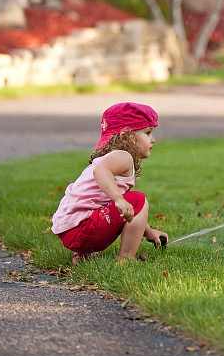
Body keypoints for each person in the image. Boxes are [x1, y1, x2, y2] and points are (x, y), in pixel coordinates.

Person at [52, 102, 168, 263]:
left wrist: (149, 232)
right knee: (139, 199)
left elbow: (126, 210)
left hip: (69, 231)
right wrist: (119, 200)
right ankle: (126, 259)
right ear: (125, 136)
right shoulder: (122, 157)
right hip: (84, 229)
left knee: (128, 202)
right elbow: (100, 172)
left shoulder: (107, 159)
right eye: (147, 133)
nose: (153, 139)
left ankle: (83, 256)